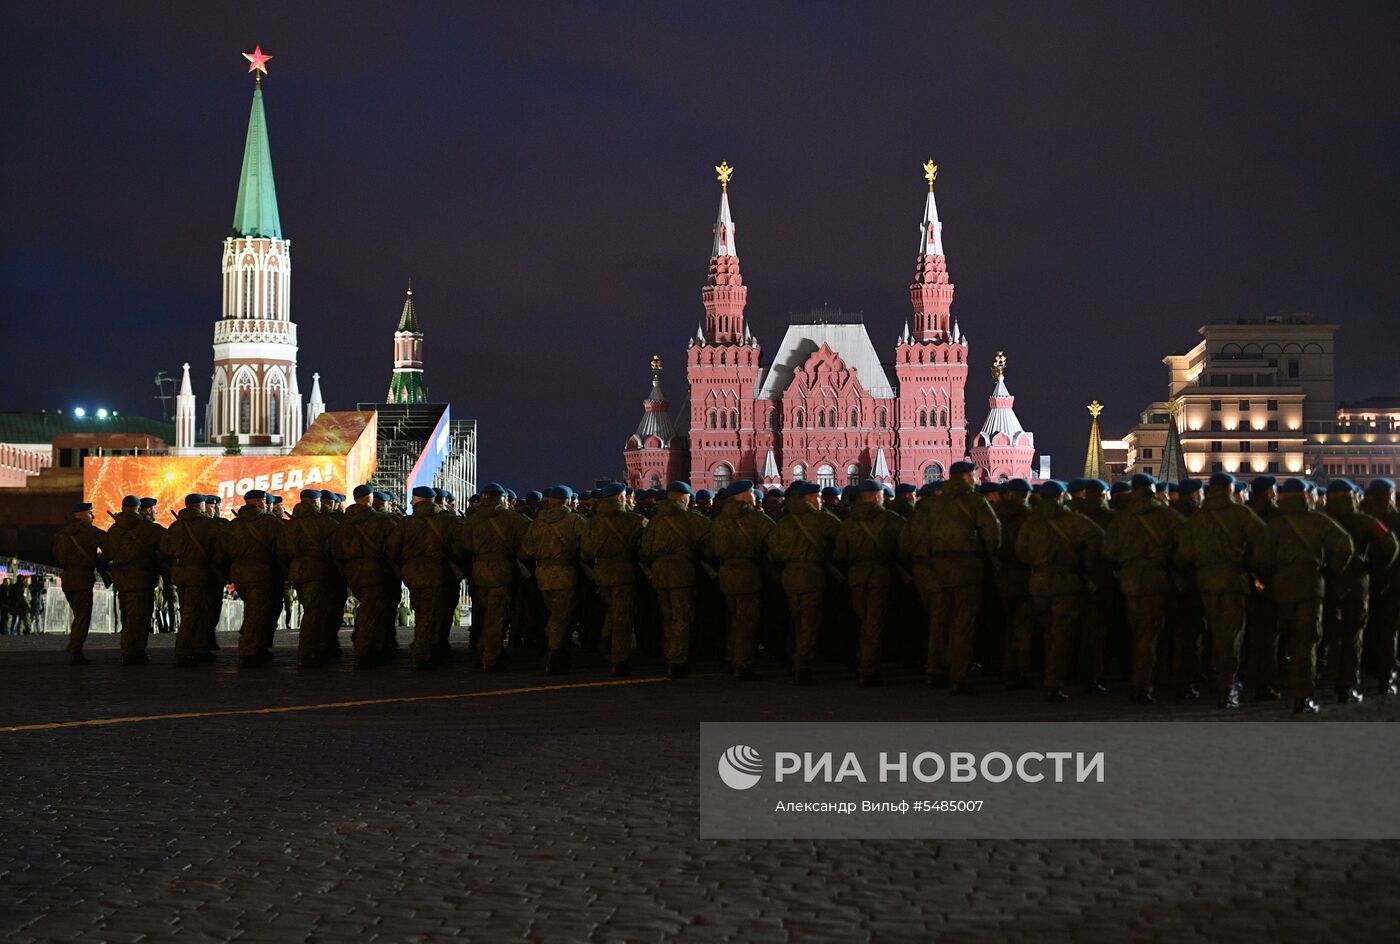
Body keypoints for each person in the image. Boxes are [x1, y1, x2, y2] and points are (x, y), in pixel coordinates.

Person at [1252, 478, 1354, 713]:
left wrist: (1270, 580)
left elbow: (1259, 558)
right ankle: (1303, 695)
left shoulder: (1275, 525)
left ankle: (1274, 685)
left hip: (1282, 588)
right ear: (1305, 495)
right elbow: (1344, 546)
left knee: (1281, 640)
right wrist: (1330, 570)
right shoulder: (1318, 520)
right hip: (1311, 586)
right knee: (1306, 641)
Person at [905, 461, 999, 694]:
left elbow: (911, 539)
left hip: (936, 570)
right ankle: (958, 675)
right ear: (967, 477)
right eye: (974, 475)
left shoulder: (931, 505)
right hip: (966, 569)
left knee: (939, 622)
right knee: (963, 623)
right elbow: (993, 535)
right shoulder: (975, 502)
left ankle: (935, 672)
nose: (976, 479)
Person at [1177, 473, 1267, 708]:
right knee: (1232, 634)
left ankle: (1220, 678)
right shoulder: (1241, 513)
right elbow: (1264, 541)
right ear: (1229, 489)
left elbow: (1184, 553)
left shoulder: (1196, 519)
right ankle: (1227, 684)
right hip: (1233, 580)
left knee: (1216, 632)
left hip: (1205, 581)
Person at [1102, 474, 1187, 704]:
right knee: (1150, 634)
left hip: (1129, 580)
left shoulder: (1121, 518)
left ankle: (1141, 677)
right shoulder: (1165, 515)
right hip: (1155, 579)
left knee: (1137, 630)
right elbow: (1186, 543)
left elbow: (1108, 550)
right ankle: (1143, 683)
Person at [1016, 481, 1104, 701]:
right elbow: (1098, 538)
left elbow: (1021, 552)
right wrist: (1085, 563)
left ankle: (1048, 674)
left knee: (1047, 631)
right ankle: (1053, 682)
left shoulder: (1030, 523)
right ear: (1061, 496)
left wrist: (1038, 565)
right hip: (1066, 583)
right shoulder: (1073, 521)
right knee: (1062, 634)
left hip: (1038, 582)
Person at [1321, 480, 1397, 704]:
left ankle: (1337, 679)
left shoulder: (1319, 520)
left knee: (1333, 634)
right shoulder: (1366, 522)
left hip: (1329, 583)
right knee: (1359, 633)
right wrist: (1375, 568)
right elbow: (1390, 547)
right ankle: (1356, 681)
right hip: (1362, 583)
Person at [767, 480, 841, 684]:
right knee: (809, 621)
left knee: (793, 618)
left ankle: (791, 659)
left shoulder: (783, 522)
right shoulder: (821, 519)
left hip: (789, 574)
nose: (820, 500)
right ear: (808, 498)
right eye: (816, 497)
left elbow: (773, 553)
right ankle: (803, 666)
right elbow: (842, 534)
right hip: (811, 574)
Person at [833, 479, 906, 686]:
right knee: (874, 622)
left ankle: (859, 661)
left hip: (856, 575)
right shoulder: (890, 519)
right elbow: (905, 545)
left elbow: (839, 553)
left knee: (860, 619)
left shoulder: (849, 522)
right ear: (876, 496)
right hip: (879, 575)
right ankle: (868, 669)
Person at [702, 480, 775, 681]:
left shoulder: (719, 520)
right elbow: (776, 543)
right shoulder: (756, 519)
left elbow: (709, 549)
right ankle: (741, 665)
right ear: (743, 496)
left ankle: (729, 658)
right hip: (747, 573)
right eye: (751, 492)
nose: (754, 495)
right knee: (747, 622)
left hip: (726, 573)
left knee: (733, 618)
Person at [388, 486, 464, 669]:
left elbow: (392, 550)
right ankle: (424, 654)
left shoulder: (406, 523)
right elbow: (462, 547)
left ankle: (423, 650)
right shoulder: (448, 521)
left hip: (412, 574)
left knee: (422, 613)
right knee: (430, 615)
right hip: (437, 573)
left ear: (416, 500)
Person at [640, 481, 711, 678]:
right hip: (681, 574)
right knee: (681, 618)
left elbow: (645, 551)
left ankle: (668, 653)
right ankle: (678, 661)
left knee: (667, 616)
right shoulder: (692, 518)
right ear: (682, 497)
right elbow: (711, 542)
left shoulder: (655, 521)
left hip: (660, 575)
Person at [458, 483, 528, 671]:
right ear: (502, 497)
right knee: (497, 615)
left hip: (479, 570)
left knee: (483, 611)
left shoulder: (472, 520)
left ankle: (484, 647)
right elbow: (527, 544)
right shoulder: (512, 518)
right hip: (502, 569)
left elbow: (464, 546)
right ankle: (490, 656)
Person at [520, 485, 589, 673]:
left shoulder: (537, 522)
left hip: (542, 572)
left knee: (550, 612)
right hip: (565, 572)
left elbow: (526, 550)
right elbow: (589, 546)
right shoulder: (574, 520)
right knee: (561, 615)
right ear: (567, 500)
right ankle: (554, 654)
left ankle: (552, 649)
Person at [332, 484, 401, 668]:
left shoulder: (344, 523)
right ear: (370, 498)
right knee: (371, 612)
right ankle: (364, 651)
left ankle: (370, 646)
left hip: (354, 572)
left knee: (368, 608)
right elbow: (395, 547)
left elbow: (336, 551)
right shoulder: (381, 521)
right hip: (375, 571)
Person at [581, 482, 647, 675]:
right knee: (622, 616)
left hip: (601, 573)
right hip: (622, 573)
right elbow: (649, 542)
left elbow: (586, 552)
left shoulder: (593, 522)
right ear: (620, 498)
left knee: (611, 609)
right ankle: (619, 659)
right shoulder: (634, 520)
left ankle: (606, 639)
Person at [276, 489, 341, 668]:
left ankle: (311, 648)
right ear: (315, 502)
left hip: (297, 570)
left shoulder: (289, 525)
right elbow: (339, 544)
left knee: (309, 609)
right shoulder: (323, 522)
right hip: (317, 570)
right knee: (315, 612)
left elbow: (281, 551)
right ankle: (309, 650)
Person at [220, 489, 285, 667]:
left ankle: (256, 646)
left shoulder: (234, 525)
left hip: (239, 574)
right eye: (264, 501)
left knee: (254, 610)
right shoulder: (270, 523)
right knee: (257, 613)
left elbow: (224, 550)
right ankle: (249, 650)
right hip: (261, 573)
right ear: (258, 502)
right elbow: (285, 545)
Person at [159, 494, 225, 666]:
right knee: (194, 613)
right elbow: (220, 550)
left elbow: (164, 549)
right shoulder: (209, 525)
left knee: (192, 611)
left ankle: (199, 647)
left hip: (180, 575)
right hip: (201, 575)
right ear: (201, 505)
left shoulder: (175, 526)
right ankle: (184, 649)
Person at [99, 494, 166, 665]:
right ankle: (133, 651)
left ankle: (129, 649)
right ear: (139, 508)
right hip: (142, 579)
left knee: (128, 616)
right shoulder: (147, 528)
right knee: (140, 617)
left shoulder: (113, 530)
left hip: (122, 580)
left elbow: (106, 553)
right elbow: (167, 543)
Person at [51, 501, 108, 664]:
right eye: (90, 513)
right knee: (83, 616)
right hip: (82, 578)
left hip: (67, 578)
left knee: (78, 615)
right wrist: (100, 562)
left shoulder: (63, 534)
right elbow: (109, 546)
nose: (93, 516)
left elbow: (56, 553)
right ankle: (75, 649)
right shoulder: (89, 531)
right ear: (82, 514)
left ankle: (75, 646)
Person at [1361, 479, 1400, 695]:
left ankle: (1368, 667)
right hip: (1392, 581)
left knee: (1367, 627)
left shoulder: (1359, 518)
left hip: (1363, 581)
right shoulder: (1395, 519)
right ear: (1388, 495)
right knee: (1389, 630)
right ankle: (1385, 676)